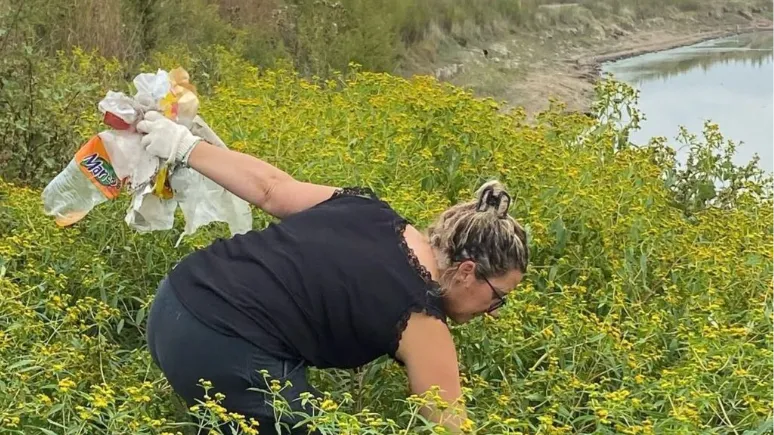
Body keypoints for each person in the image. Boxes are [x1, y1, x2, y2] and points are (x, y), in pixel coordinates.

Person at [139, 111, 529, 434]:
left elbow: (271, 189)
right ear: (467, 271)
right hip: (225, 347)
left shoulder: (368, 209)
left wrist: (184, 146)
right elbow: (449, 425)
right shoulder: (423, 317)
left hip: (172, 303)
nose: (494, 311)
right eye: (498, 297)